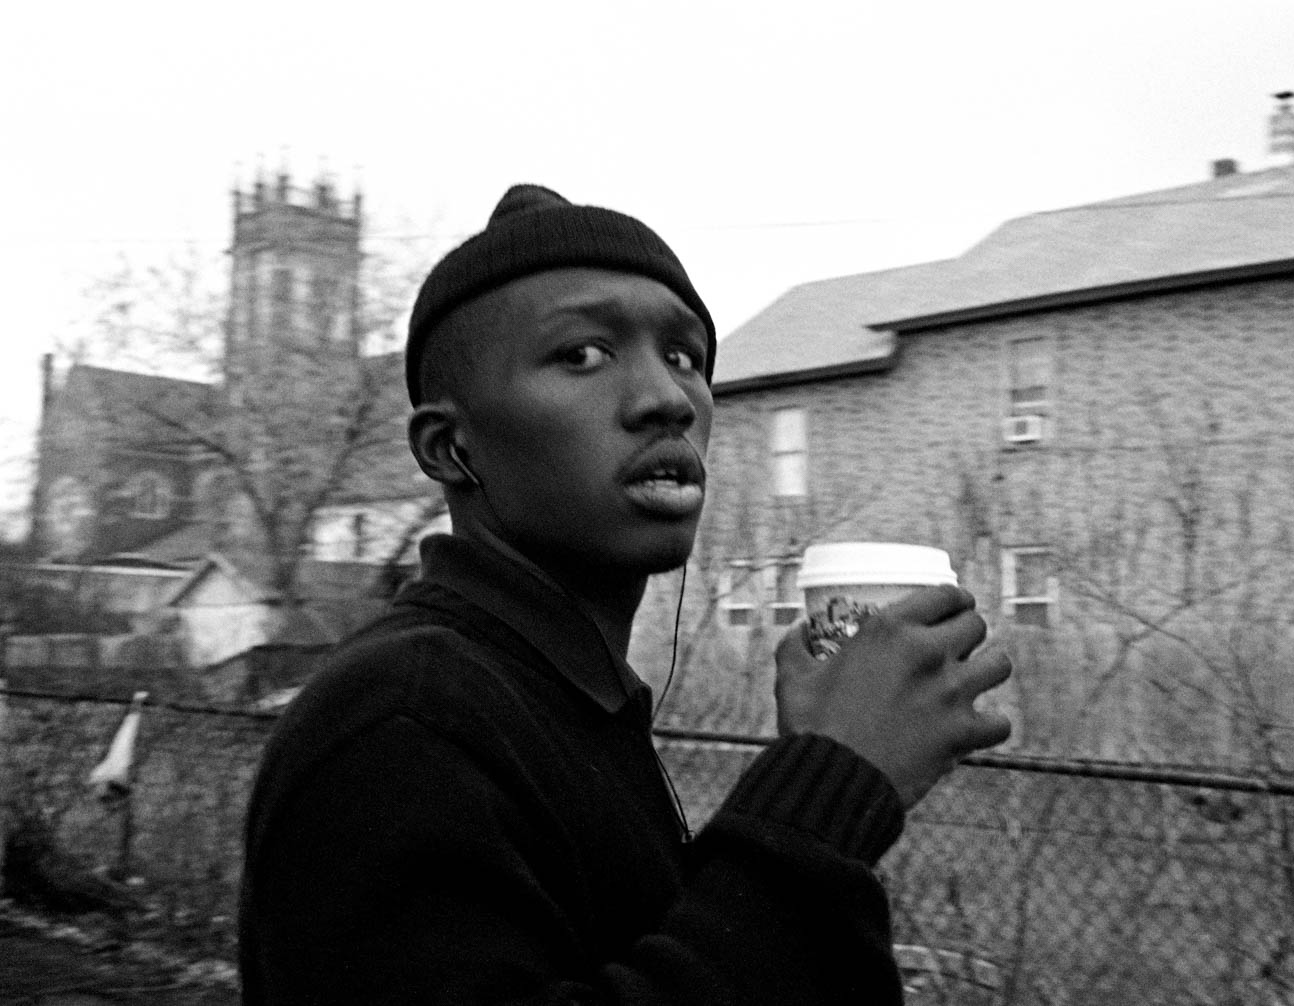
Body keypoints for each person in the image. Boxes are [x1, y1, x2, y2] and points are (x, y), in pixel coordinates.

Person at [237, 184, 1013, 1004]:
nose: (668, 399)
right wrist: (827, 794)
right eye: (583, 355)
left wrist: (823, 778)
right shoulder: (405, 720)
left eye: (684, 356)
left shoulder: (556, 696)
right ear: (451, 446)